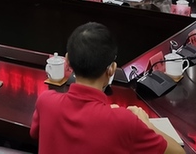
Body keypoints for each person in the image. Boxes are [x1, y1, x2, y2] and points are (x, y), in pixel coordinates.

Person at [31, 22, 183, 154]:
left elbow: (35, 133)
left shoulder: (46, 101)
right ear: (111, 69)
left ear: (68, 61)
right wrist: (147, 124)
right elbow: (179, 152)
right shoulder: (125, 122)